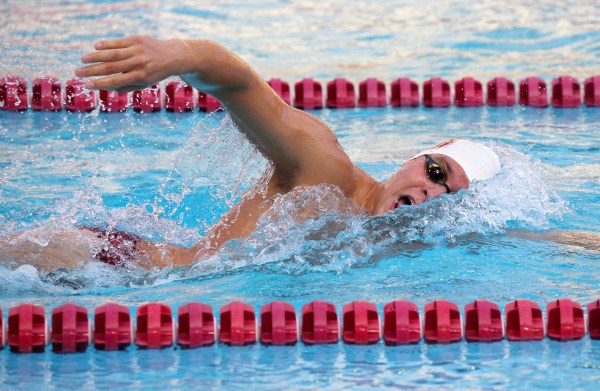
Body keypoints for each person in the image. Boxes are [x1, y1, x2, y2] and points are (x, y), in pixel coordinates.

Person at [0, 36, 597, 272]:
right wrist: (178, 58)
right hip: (112, 262)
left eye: (447, 193)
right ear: (422, 156)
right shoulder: (323, 168)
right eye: (435, 172)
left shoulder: (410, 234)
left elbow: (535, 242)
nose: (428, 192)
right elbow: (237, 83)